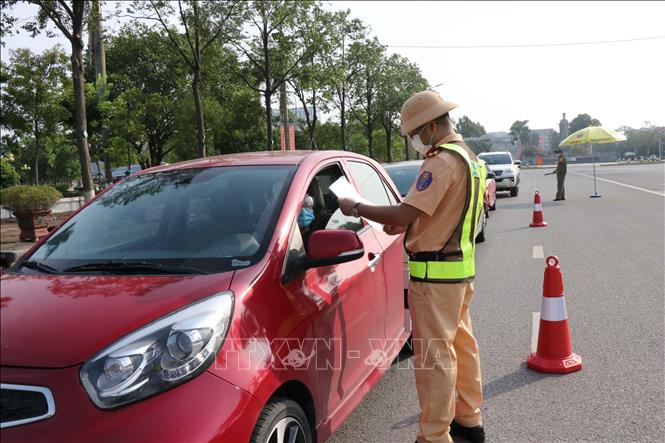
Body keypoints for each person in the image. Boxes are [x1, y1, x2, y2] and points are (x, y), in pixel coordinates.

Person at [338, 90, 486, 443]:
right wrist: (407, 224)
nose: (418, 141)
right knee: (462, 349)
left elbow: (406, 212)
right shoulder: (469, 159)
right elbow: (441, 214)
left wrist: (356, 206)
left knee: (435, 360)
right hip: (459, 274)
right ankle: (469, 420)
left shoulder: (441, 162)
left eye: (418, 134)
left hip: (434, 277)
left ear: (432, 126)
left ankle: (434, 436)